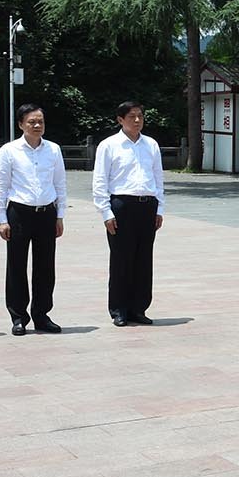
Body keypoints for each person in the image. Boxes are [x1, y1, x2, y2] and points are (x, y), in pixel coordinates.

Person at [0, 103, 67, 336]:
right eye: (32, 122)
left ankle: (42, 315)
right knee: (16, 266)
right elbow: (1, 186)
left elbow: (60, 183)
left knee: (45, 267)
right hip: (19, 213)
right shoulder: (9, 150)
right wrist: (2, 219)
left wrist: (60, 215)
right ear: (20, 124)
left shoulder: (53, 149)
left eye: (40, 122)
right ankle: (18, 317)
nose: (37, 125)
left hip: (46, 213)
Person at [93, 101, 166, 327]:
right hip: (122, 206)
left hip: (147, 205)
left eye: (140, 116)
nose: (137, 120)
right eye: (132, 116)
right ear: (120, 119)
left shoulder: (151, 144)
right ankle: (119, 309)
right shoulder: (109, 145)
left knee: (143, 259)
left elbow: (158, 178)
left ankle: (138, 308)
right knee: (121, 259)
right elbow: (100, 180)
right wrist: (106, 212)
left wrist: (159, 208)